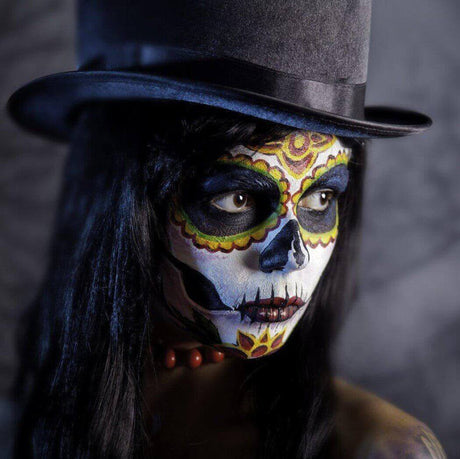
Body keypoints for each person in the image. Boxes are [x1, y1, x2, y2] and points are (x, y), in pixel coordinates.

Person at [7, 1, 446, 458]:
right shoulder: (24, 419)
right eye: (236, 199)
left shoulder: (381, 450)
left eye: (321, 198)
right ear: (123, 198)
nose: (291, 255)